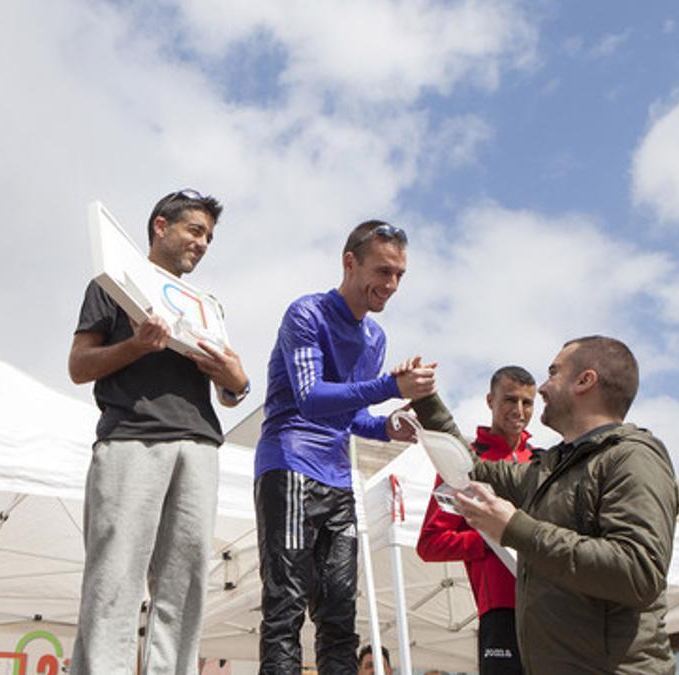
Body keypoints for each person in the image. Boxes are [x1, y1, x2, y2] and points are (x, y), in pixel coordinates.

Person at [413, 335, 679, 674]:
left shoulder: (633, 457)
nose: (541, 389)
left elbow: (638, 571)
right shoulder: (550, 468)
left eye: (553, 373)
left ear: (585, 381)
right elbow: (470, 469)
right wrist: (425, 399)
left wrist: (516, 530)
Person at [67, 189, 249, 675]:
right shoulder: (111, 284)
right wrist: (139, 346)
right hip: (132, 436)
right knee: (115, 575)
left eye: (209, 236)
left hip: (200, 445)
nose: (203, 243)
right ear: (160, 227)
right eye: (195, 230)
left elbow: (231, 392)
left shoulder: (207, 306)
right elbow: (79, 366)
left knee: (186, 583)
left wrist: (236, 380)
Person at [254, 220, 434, 673]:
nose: (391, 285)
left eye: (399, 275)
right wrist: (388, 385)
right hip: (290, 464)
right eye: (383, 271)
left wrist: (389, 428)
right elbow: (312, 398)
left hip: (337, 479)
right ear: (349, 263)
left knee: (339, 616)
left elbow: (350, 417)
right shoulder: (307, 313)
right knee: (286, 608)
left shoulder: (375, 338)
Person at [416, 365, 535, 675]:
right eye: (510, 400)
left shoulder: (541, 462)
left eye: (528, 402)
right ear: (489, 401)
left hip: (550, 607)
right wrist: (490, 538)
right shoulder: (461, 463)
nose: (519, 410)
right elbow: (430, 545)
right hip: (500, 612)